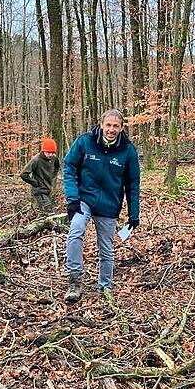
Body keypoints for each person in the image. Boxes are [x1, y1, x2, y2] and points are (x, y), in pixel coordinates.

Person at [62, 109, 141, 303]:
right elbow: (69, 167)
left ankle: (105, 287)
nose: (111, 130)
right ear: (101, 124)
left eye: (116, 126)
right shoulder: (85, 142)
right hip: (84, 199)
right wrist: (72, 198)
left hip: (109, 204)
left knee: (106, 247)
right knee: (76, 231)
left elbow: (133, 183)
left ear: (121, 128)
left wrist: (134, 214)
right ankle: (74, 281)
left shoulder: (128, 150)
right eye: (108, 125)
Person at [20, 138, 60, 211]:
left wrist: (53, 176)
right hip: (39, 191)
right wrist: (35, 183)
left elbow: (57, 167)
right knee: (48, 209)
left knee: (45, 210)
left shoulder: (54, 158)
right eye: (48, 152)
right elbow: (23, 174)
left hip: (49, 189)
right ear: (43, 151)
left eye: (52, 152)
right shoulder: (36, 160)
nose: (51, 155)